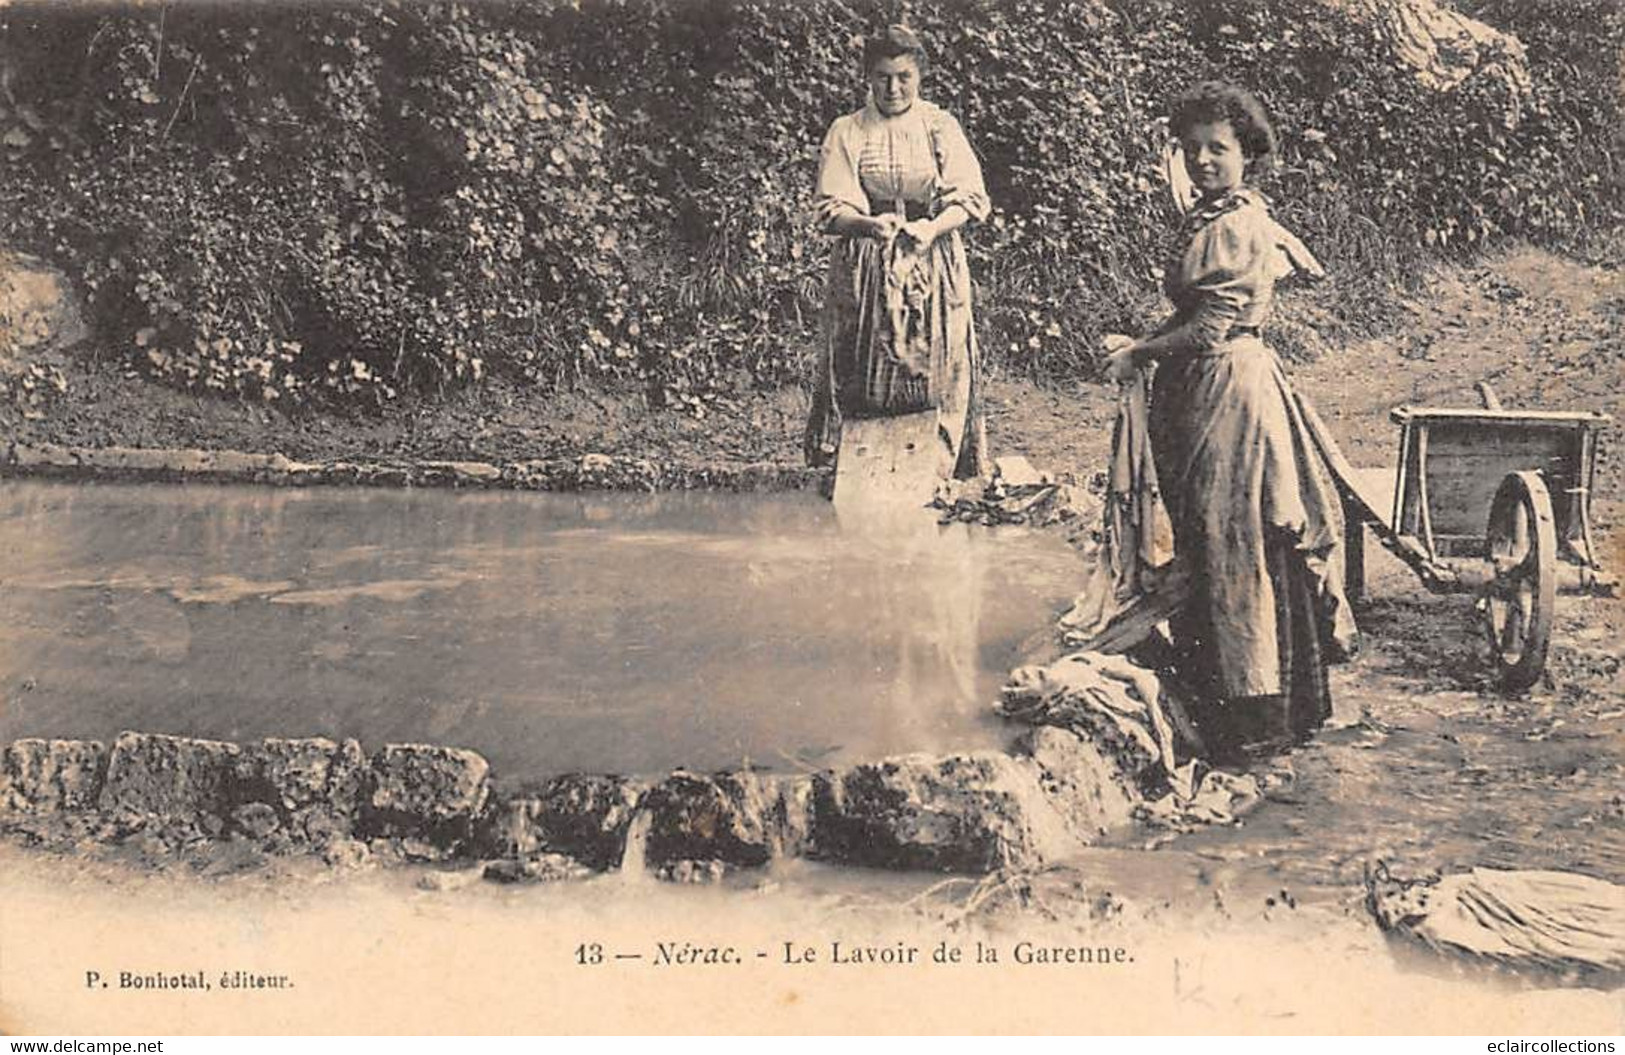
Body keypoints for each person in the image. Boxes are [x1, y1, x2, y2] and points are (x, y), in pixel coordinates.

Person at [1104, 81, 1358, 763]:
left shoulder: (1237, 223)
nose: (1203, 161)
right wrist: (1147, 343)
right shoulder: (1212, 214)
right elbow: (1191, 317)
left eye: (1217, 148)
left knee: (1233, 536)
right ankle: (1231, 704)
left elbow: (1213, 323)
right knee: (1207, 535)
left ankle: (1255, 717)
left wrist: (1140, 352)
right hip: (1201, 386)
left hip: (1228, 393)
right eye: (1191, 150)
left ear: (1246, 153)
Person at [804, 24, 990, 482]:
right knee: (858, 360)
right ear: (868, 76)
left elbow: (969, 197)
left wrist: (931, 228)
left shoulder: (939, 127)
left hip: (933, 253)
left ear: (919, 76)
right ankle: (855, 469)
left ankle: (937, 469)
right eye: (883, 76)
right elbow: (831, 207)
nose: (893, 87)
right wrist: (868, 224)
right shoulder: (848, 131)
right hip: (866, 258)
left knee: (941, 357)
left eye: (904, 76)